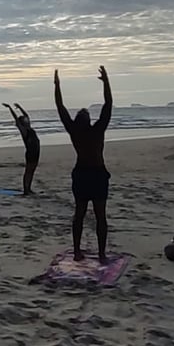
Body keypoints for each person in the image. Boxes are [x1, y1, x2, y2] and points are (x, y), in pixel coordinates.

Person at [54, 66, 113, 263]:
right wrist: (106, 82)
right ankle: (94, 253)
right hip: (91, 174)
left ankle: (84, 252)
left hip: (87, 174)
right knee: (94, 215)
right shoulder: (94, 130)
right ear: (85, 120)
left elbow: (61, 108)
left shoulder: (80, 131)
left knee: (85, 214)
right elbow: (108, 104)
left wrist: (57, 86)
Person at [2, 102, 40, 195]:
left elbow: (26, 115)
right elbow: (16, 119)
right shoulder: (24, 130)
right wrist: (10, 108)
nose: (26, 119)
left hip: (36, 151)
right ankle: (26, 189)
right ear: (23, 122)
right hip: (30, 153)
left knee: (32, 171)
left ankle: (29, 188)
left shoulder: (29, 128)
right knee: (28, 171)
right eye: (24, 119)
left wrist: (20, 107)